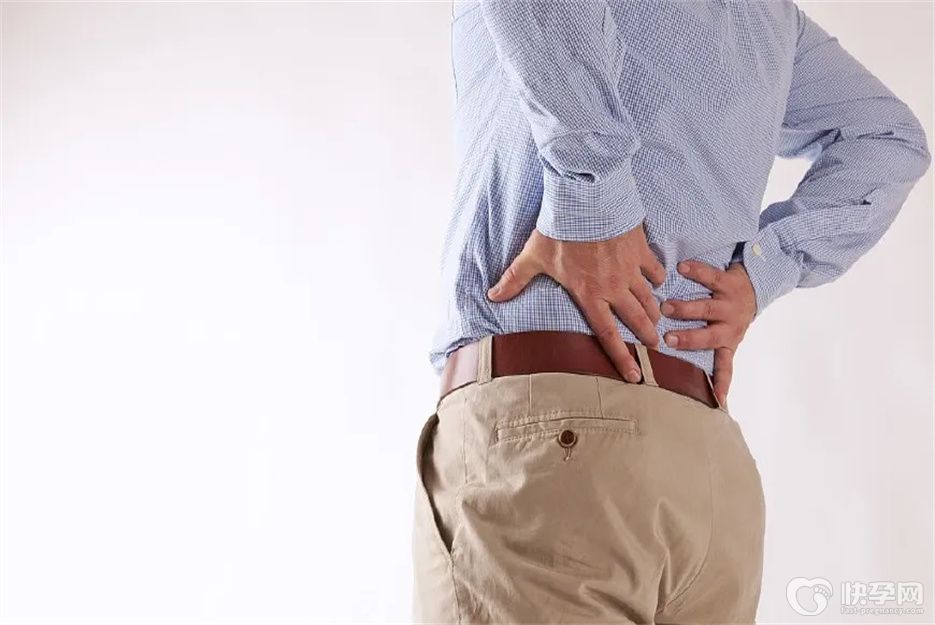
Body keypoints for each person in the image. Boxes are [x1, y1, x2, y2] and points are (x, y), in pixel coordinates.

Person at [412, 1, 930, 622]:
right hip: (705, 473)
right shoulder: (769, 17)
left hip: (550, 448)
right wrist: (761, 273)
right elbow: (888, 140)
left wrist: (592, 193)